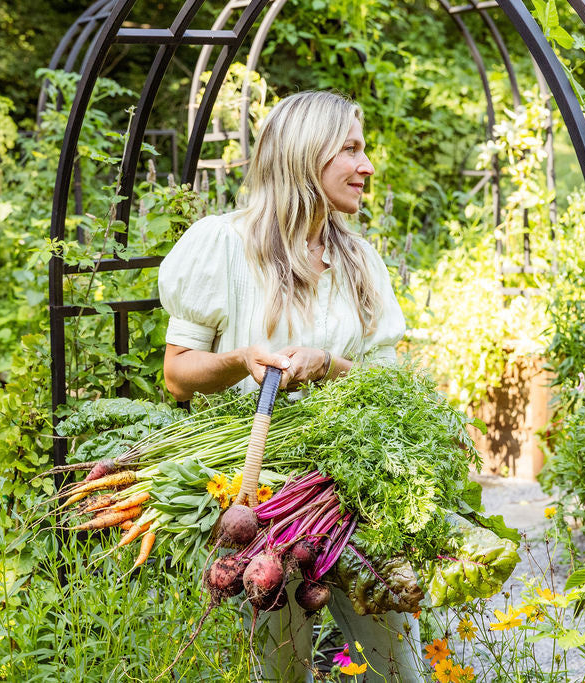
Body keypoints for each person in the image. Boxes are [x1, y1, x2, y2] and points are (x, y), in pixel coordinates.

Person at [158, 91, 423, 682]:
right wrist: (241, 360)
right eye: (350, 150)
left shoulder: (359, 261)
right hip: (263, 498)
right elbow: (178, 372)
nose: (367, 165)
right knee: (279, 666)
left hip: (350, 487)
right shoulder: (224, 245)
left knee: (398, 662)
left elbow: (390, 385)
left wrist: (329, 364)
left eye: (364, 149)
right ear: (306, 157)